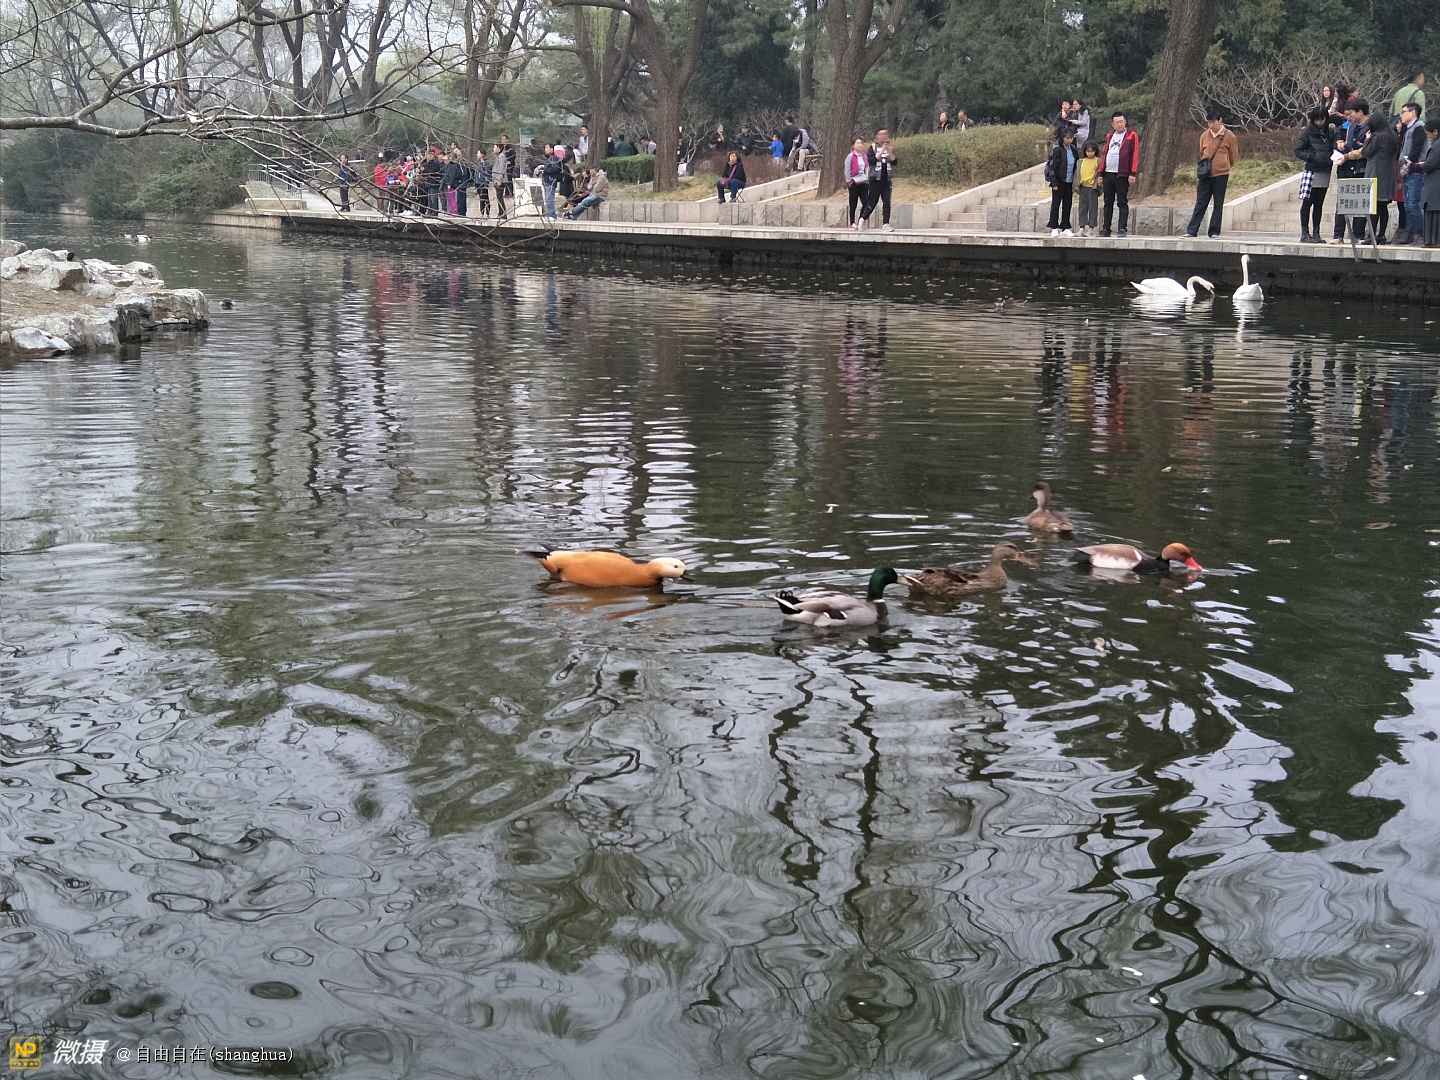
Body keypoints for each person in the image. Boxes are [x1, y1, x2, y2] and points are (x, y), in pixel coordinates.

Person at [1186, 108, 1239, 238]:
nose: (1211, 125)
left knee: (1218, 203)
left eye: (1213, 122)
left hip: (1221, 174)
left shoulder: (1230, 136)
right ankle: (1192, 230)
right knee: (1200, 203)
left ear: (1220, 121)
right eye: (1209, 122)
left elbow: (1233, 155)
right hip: (1205, 174)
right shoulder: (1204, 135)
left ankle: (1214, 231)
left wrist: (1225, 165)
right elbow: (1201, 152)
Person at [1354, 111, 1399, 242]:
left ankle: (1372, 235)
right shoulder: (1393, 135)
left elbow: (1366, 152)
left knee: (1373, 206)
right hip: (1388, 174)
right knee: (1383, 206)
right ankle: (1381, 235)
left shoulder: (1377, 136)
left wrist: (1367, 139)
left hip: (1375, 173)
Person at [1295, 105, 1335, 242]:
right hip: (1312, 171)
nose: (1319, 122)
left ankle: (1316, 233)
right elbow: (1298, 150)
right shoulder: (1307, 132)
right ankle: (1305, 233)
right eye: (1316, 119)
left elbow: (1333, 147)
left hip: (1325, 170)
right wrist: (1311, 157)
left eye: (1321, 119)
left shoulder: (1330, 132)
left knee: (1319, 204)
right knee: (1307, 203)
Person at [1331, 99, 1368, 243]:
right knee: (1342, 202)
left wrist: (1347, 155)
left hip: (1361, 168)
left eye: (1351, 113)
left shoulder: (1369, 127)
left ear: (1360, 112)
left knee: (1360, 203)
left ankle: (1358, 234)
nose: (1348, 116)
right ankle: (1338, 234)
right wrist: (1342, 145)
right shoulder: (1351, 126)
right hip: (1346, 168)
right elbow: (1350, 144)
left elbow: (1364, 149)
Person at [1098, 111, 1139, 237]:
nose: (1120, 124)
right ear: (1113, 124)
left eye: (1121, 122)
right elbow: (1105, 153)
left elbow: (1135, 154)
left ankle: (1122, 228)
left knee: (1122, 201)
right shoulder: (1110, 135)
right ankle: (1106, 228)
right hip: (1108, 173)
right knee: (1108, 202)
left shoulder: (1131, 135)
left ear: (1125, 122)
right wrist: (1100, 173)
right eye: (1117, 122)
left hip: (1122, 174)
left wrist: (1132, 173)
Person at [1395, 102, 1427, 244]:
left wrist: (1407, 166)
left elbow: (1416, 149)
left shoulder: (1419, 127)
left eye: (1404, 112)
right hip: (1408, 172)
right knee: (1407, 205)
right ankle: (1409, 233)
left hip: (1416, 171)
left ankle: (1419, 234)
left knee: (1414, 204)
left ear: (1413, 112)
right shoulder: (1408, 129)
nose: (1402, 115)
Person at [1045, 126, 1079, 235]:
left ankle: (1065, 226)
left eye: (1071, 138)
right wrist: (1053, 182)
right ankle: (1054, 226)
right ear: (1063, 138)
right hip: (1059, 181)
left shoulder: (1074, 150)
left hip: (1069, 181)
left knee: (1067, 204)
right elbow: (1052, 167)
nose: (1069, 140)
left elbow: (1076, 165)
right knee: (1056, 204)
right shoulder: (1057, 150)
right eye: (1067, 138)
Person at [862, 129, 897, 230]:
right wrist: (881, 151)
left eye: (886, 134)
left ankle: (886, 223)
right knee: (873, 201)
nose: (884, 136)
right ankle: (863, 218)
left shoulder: (889, 147)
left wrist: (890, 153)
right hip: (875, 178)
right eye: (882, 134)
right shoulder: (873, 147)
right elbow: (871, 161)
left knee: (887, 202)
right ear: (878, 136)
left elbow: (894, 162)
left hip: (886, 179)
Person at [1414, 119, 1440, 247]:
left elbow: (1430, 164)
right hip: (1433, 181)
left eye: (1428, 133)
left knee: (1434, 210)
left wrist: (1416, 166)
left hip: (1435, 182)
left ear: (1435, 132)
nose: (1428, 136)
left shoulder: (1437, 145)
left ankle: (1434, 241)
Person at [1075, 140, 1100, 235]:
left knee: (1092, 208)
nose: (1090, 153)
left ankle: (1091, 228)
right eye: (1088, 151)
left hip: (1092, 188)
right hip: (1083, 187)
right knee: (1082, 208)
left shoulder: (1098, 161)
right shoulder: (1081, 161)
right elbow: (1077, 174)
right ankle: (1082, 227)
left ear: (1095, 151)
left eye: (1092, 151)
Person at [844, 137, 870, 230]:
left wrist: (868, 178)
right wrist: (850, 181)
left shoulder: (864, 156)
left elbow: (867, 167)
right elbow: (847, 169)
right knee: (853, 203)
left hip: (864, 182)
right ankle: (852, 222)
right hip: (854, 182)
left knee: (866, 202)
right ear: (854, 145)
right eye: (857, 143)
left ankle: (861, 220)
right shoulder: (850, 156)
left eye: (861, 143)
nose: (860, 145)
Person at [442, 151, 468, 216]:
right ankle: (452, 210)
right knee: (450, 198)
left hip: (457, 183)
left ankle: (456, 210)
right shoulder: (449, 166)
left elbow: (453, 176)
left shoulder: (455, 166)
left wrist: (450, 183)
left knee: (454, 198)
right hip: (450, 183)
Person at [490, 143, 509, 219]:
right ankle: (501, 212)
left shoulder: (501, 157)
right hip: (496, 180)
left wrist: (499, 178)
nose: (493, 149)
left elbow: (501, 168)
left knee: (499, 197)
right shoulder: (498, 157)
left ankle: (502, 213)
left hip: (500, 180)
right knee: (498, 197)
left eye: (494, 147)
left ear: (498, 148)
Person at [471, 151, 491, 217]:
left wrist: (486, 182)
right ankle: (482, 213)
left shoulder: (486, 164)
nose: (477, 155)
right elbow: (476, 174)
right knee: (481, 199)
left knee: (485, 198)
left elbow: (487, 174)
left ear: (482, 154)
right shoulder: (477, 164)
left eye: (478, 153)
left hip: (484, 183)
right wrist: (475, 182)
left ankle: (487, 213)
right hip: (478, 183)